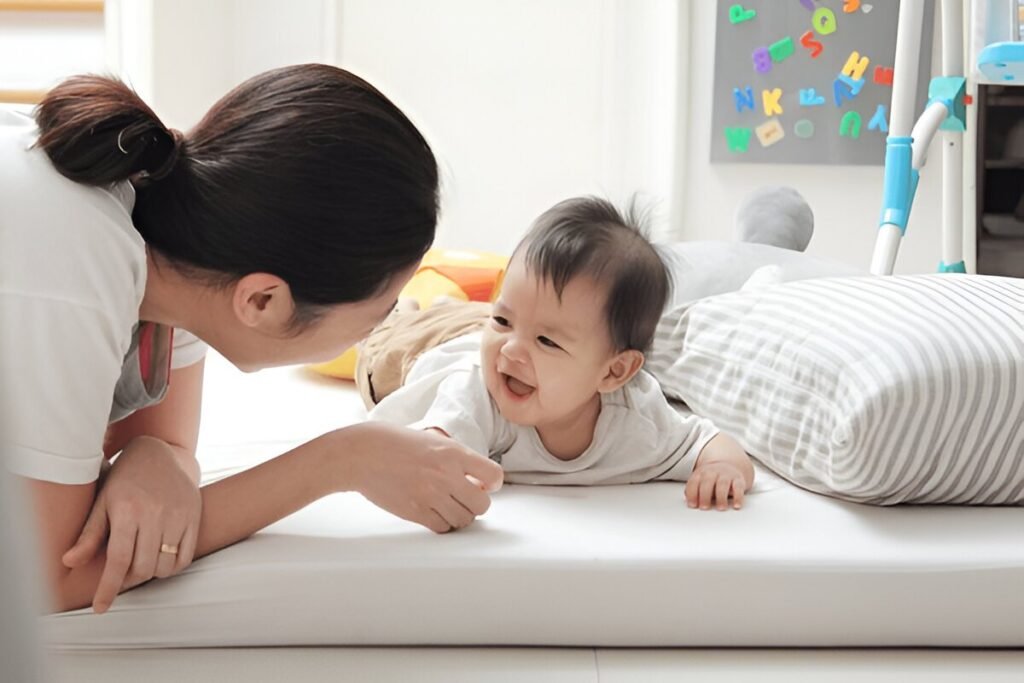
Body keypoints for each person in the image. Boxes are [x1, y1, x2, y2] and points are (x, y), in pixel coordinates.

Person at [0, 64, 503, 615]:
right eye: (379, 312)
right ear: (263, 301)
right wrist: (342, 460)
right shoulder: (74, 270)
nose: (384, 325)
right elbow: (45, 577)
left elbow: (168, 444)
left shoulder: (178, 247)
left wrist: (152, 455)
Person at [361, 197, 755, 511]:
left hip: (472, 326)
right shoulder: (474, 394)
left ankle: (462, 310)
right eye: (503, 319)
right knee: (380, 345)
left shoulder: (637, 420)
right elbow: (434, 451)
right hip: (428, 350)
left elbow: (711, 442)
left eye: (548, 342)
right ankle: (412, 312)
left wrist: (721, 468)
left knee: (482, 319)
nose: (512, 348)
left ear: (615, 372)